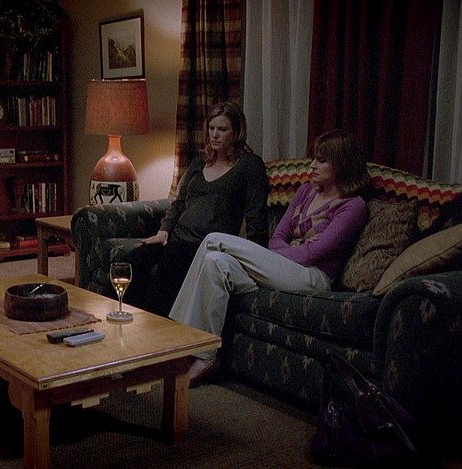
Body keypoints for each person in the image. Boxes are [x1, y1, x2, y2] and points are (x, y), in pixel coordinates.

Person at [168, 129, 371, 384]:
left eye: (321, 160)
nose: (312, 165)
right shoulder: (306, 191)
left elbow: (315, 252)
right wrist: (277, 257)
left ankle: (177, 338)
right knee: (214, 262)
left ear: (342, 164)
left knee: (213, 240)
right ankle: (206, 355)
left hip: (313, 277)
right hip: (282, 268)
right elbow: (277, 237)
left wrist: (278, 257)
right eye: (313, 159)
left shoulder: (353, 206)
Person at [124, 101, 268, 315]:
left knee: (169, 265)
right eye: (211, 128)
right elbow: (180, 203)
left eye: (222, 129)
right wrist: (163, 231)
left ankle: (156, 327)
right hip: (178, 238)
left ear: (236, 132)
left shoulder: (250, 165)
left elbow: (256, 215)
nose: (215, 135)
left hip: (206, 246)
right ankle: (117, 320)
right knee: (131, 262)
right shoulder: (200, 162)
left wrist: (251, 258)